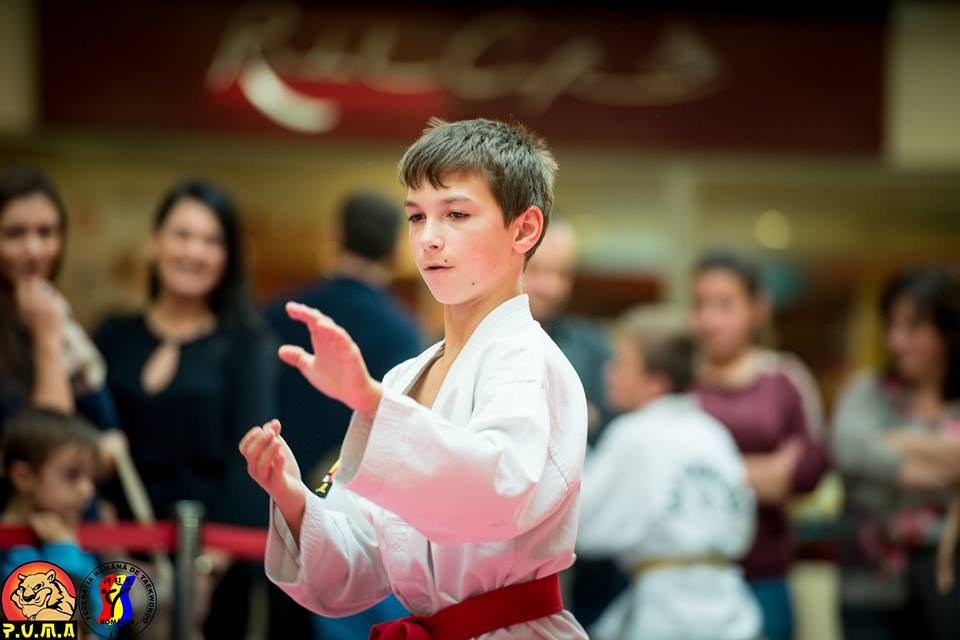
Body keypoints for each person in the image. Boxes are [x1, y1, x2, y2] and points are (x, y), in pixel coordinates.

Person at [241, 117, 589, 638]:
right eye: (416, 216)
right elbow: (357, 568)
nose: (428, 239)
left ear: (524, 229)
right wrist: (293, 499)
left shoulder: (526, 360)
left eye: (456, 214)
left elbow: (492, 498)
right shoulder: (405, 376)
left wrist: (369, 401)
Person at [95, 179, 276, 637]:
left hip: (212, 569)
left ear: (228, 257)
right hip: (114, 559)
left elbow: (250, 467)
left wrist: (204, 570)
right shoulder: (114, 336)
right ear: (155, 242)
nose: (195, 251)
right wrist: (113, 550)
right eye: (182, 234)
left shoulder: (246, 346)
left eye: (212, 241)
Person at [263, 193, 421, 638]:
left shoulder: (281, 314)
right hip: (357, 517)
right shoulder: (404, 332)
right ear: (396, 248)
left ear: (335, 235)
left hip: (279, 501)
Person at [578, 307, 760, 640]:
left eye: (621, 363)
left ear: (656, 383)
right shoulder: (713, 432)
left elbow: (582, 525)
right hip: (728, 607)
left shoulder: (634, 434)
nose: (609, 372)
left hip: (667, 614)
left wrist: (569, 435)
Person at [691, 249, 829, 640]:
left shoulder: (784, 379)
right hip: (686, 580)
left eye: (725, 305)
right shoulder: (678, 380)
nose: (709, 320)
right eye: (700, 304)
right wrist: (764, 472)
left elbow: (808, 471)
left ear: (757, 309)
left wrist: (704, 474)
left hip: (765, 579)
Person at [832, 265, 960, 640]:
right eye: (891, 325)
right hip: (869, 589)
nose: (896, 341)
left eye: (913, 327)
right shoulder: (867, 391)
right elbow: (848, 451)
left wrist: (897, 441)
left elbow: (868, 457)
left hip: (947, 584)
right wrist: (947, 467)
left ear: (947, 331)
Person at [0, 166, 117, 430]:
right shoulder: (48, 323)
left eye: (45, 232)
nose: (33, 249)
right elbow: (49, 439)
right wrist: (46, 340)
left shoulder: (61, 319)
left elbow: (104, 424)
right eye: (15, 233)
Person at [0, 408, 100, 585]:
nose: (87, 490)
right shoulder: (7, 553)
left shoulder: (70, 535)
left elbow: (97, 601)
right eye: (72, 474)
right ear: (23, 477)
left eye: (91, 477)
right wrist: (62, 549)